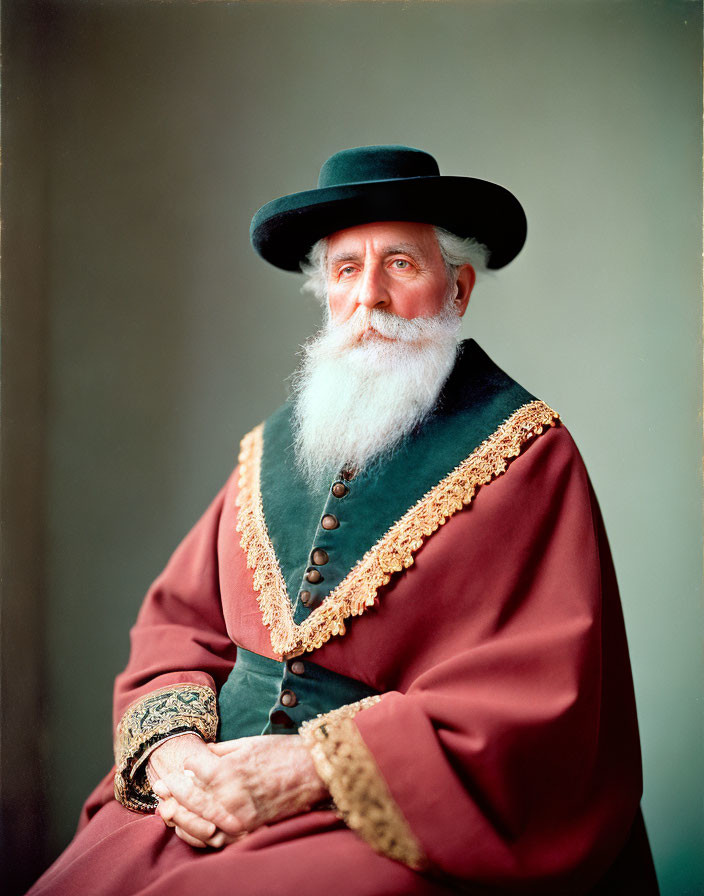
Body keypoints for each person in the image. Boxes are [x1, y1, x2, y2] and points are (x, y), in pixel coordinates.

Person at [28, 145, 659, 895]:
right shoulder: (273, 446)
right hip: (207, 787)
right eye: (347, 271)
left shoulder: (528, 455)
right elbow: (176, 626)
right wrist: (173, 757)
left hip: (384, 811)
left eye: (400, 265)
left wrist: (307, 768)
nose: (371, 299)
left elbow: (537, 706)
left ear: (456, 289)